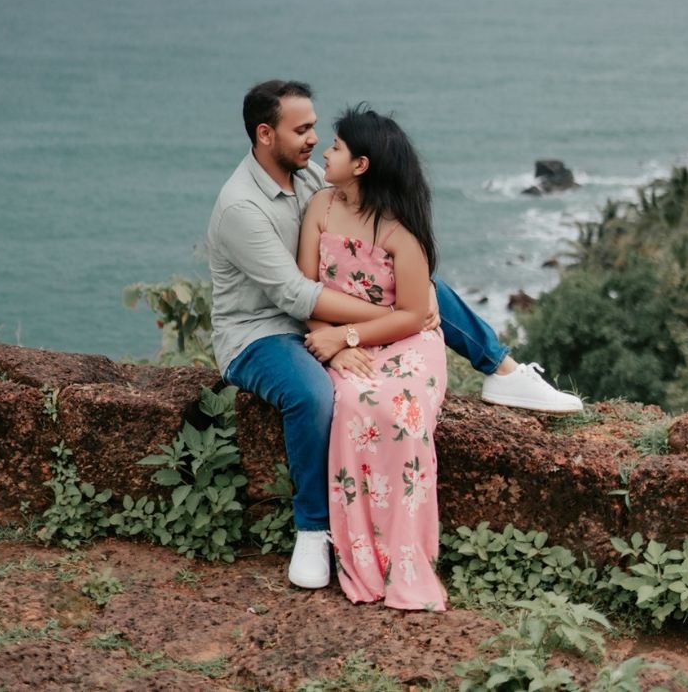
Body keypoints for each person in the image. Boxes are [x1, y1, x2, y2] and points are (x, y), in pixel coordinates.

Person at [206, 79, 581, 593]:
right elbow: (295, 295)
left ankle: (502, 369)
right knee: (313, 394)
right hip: (260, 332)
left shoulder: (311, 177)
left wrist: (397, 309)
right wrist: (393, 314)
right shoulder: (240, 208)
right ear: (266, 134)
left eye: (319, 129)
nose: (315, 139)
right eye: (304, 130)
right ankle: (313, 529)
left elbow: (350, 255)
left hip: (319, 315)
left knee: (427, 288)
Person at [297, 106, 448, 609]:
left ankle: (404, 554)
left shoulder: (399, 231)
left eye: (336, 147)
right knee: (355, 406)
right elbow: (304, 290)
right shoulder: (320, 207)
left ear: (360, 165)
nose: (325, 151)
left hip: (401, 342)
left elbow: (410, 315)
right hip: (341, 340)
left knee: (397, 413)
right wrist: (327, 339)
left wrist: (348, 339)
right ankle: (360, 550)